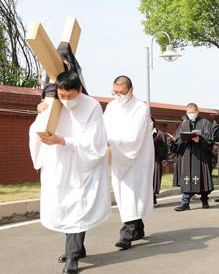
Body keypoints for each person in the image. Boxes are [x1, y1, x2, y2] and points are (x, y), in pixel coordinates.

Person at [30, 70, 111, 273]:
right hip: (58, 163)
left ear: (80, 90)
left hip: (83, 165)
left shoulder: (91, 106)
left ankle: (72, 257)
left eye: (70, 96)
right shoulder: (53, 101)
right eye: (62, 95)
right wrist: (41, 112)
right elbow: (37, 129)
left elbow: (95, 141)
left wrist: (63, 140)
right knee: (65, 206)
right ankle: (77, 248)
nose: (66, 100)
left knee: (77, 206)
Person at [103, 75, 154, 250]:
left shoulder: (141, 108)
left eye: (121, 92)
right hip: (117, 157)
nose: (118, 96)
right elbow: (103, 128)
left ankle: (127, 233)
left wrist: (111, 140)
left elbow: (134, 136)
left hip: (138, 157)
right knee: (123, 194)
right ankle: (137, 228)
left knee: (134, 193)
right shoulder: (111, 106)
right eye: (114, 92)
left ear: (131, 91)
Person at [172, 103, 214, 211]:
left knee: (201, 179)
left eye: (193, 112)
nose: (191, 114)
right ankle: (185, 203)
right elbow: (177, 139)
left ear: (197, 111)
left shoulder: (205, 123)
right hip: (187, 155)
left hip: (201, 157)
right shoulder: (184, 124)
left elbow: (210, 140)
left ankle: (204, 200)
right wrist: (183, 138)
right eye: (189, 113)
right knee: (187, 178)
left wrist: (200, 140)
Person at [152, 117, 168, 205]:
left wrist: (156, 147)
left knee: (154, 178)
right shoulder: (142, 133)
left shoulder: (160, 134)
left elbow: (165, 148)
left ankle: (153, 196)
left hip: (156, 159)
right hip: (144, 160)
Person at [171, 115, 188, 189]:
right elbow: (178, 139)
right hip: (181, 153)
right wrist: (175, 140)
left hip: (188, 152)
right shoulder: (180, 128)